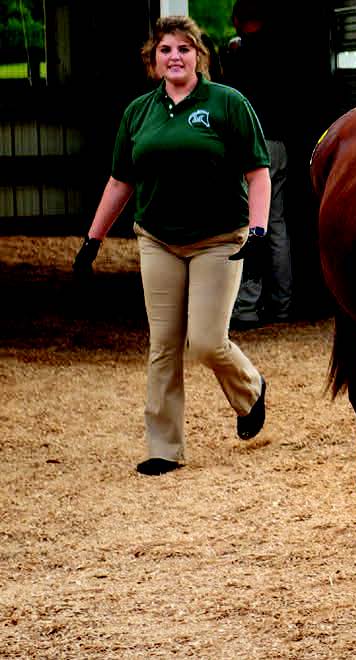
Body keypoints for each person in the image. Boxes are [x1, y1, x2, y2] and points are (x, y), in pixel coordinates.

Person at [72, 16, 270, 476]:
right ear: (153, 59)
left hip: (219, 240)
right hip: (158, 239)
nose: (174, 56)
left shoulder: (227, 104)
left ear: (198, 55)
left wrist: (258, 232)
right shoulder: (139, 112)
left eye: (183, 48)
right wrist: (91, 240)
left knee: (204, 342)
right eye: (165, 50)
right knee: (162, 345)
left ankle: (251, 390)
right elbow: (121, 180)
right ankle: (164, 447)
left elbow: (257, 174)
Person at [221, 0, 293, 329]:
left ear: (237, 20)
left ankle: (246, 305)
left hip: (248, 145)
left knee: (245, 224)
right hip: (277, 144)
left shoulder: (236, 56)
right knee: (276, 225)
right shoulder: (282, 53)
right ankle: (281, 305)